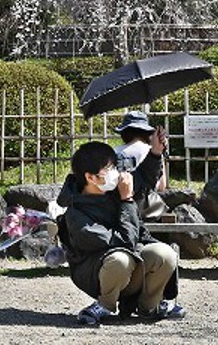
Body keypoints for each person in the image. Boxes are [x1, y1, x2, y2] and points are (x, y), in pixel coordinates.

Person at [63, 139, 185, 326]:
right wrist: (126, 200)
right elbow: (123, 242)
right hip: (97, 273)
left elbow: (144, 177)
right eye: (109, 168)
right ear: (91, 177)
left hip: (131, 263)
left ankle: (148, 307)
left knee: (165, 254)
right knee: (120, 258)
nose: (116, 173)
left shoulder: (112, 191)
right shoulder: (76, 215)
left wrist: (155, 152)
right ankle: (105, 305)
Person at [112, 111, 169, 219]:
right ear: (147, 133)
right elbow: (162, 187)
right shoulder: (154, 151)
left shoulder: (114, 152)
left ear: (124, 133)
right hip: (147, 210)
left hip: (118, 207)